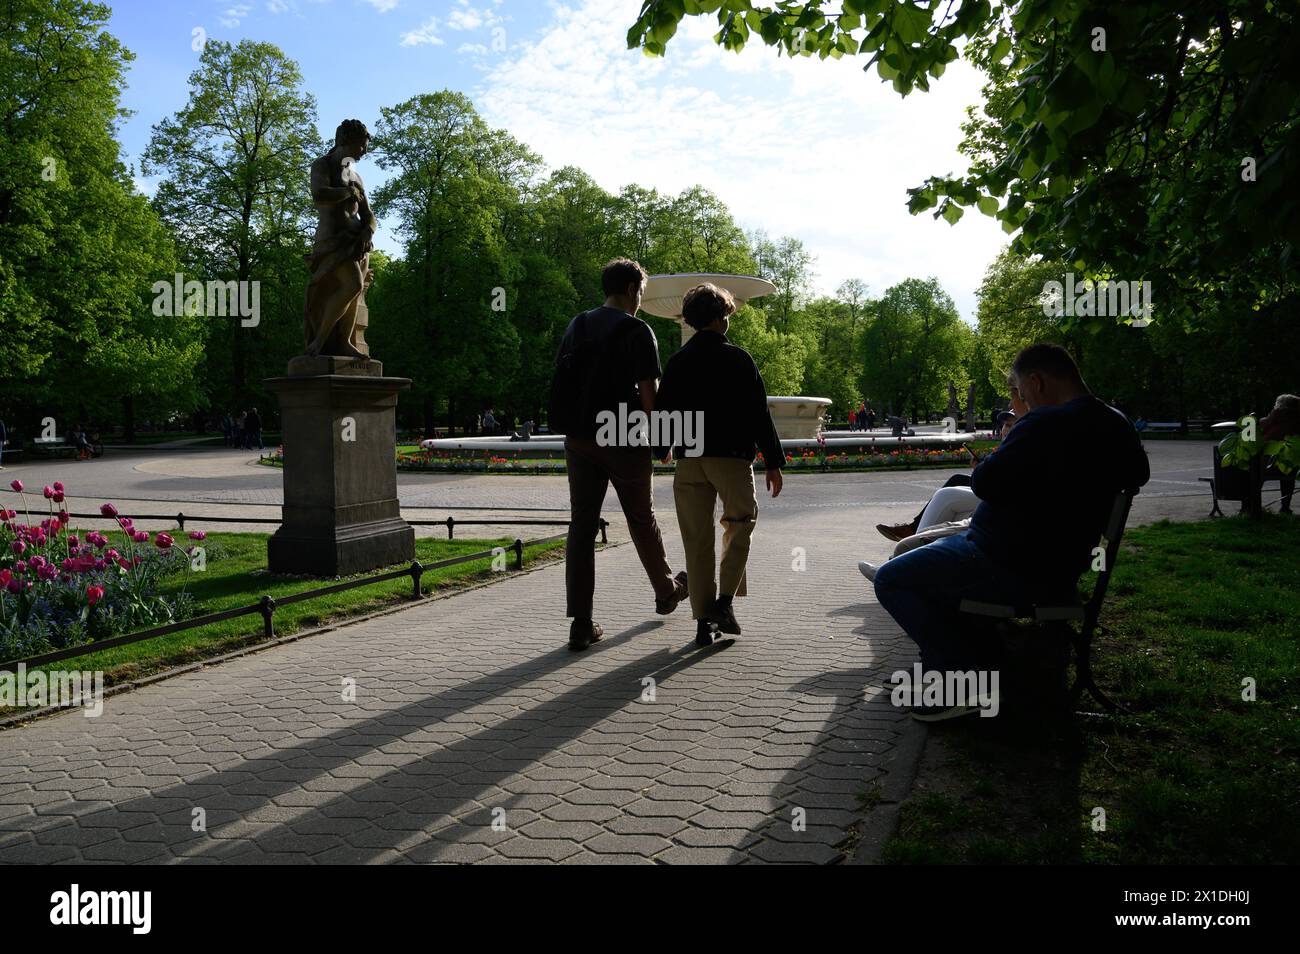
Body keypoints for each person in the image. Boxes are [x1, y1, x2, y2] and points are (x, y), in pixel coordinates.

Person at [872, 343, 1150, 722]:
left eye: (1020, 389)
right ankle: (948, 669)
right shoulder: (1117, 424)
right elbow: (1137, 476)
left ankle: (962, 681)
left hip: (1005, 561)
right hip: (1061, 564)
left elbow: (985, 482)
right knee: (921, 554)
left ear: (1036, 381)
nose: (1021, 398)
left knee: (893, 579)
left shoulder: (1045, 423)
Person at [550, 258, 688, 651]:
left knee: (582, 526)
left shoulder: (578, 324)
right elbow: (649, 395)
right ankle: (666, 592)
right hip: (623, 436)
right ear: (631, 289)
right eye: (640, 292)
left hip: (579, 437)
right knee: (641, 519)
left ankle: (581, 622)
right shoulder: (637, 330)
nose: (641, 299)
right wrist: (663, 441)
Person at [656, 283, 784, 647]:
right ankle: (724, 603)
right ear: (719, 318)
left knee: (697, 540)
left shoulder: (679, 361)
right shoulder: (739, 359)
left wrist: (663, 448)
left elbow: (666, 409)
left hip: (690, 461)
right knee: (739, 524)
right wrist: (773, 462)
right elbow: (759, 414)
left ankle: (702, 622)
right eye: (726, 315)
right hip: (730, 457)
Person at [1260, 393, 1299, 513]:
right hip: (1290, 465)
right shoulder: (1297, 421)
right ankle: (1285, 507)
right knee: (1288, 475)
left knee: (1255, 473)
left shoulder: (1269, 420)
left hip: (1266, 465)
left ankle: (1253, 506)